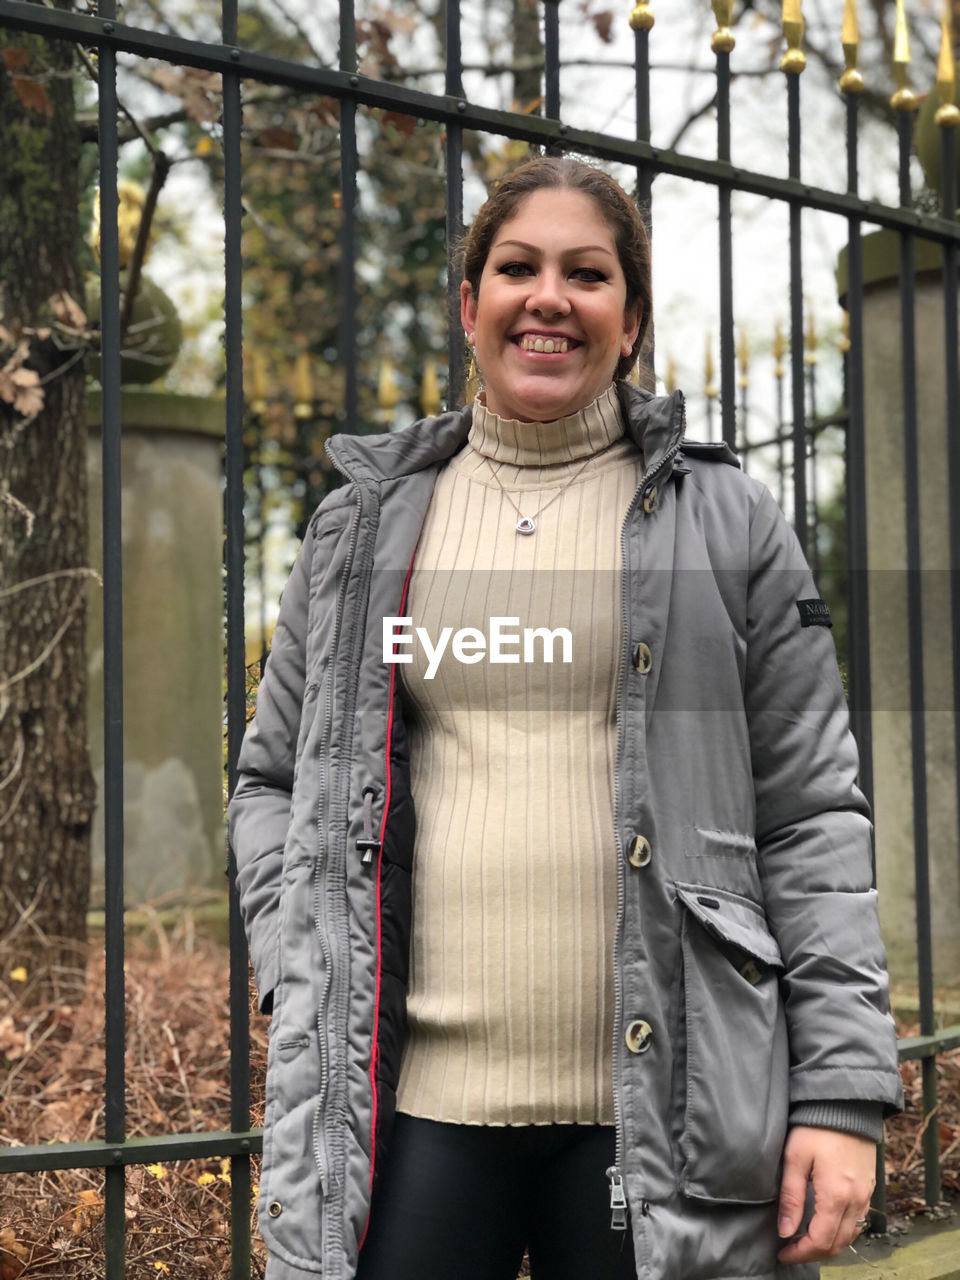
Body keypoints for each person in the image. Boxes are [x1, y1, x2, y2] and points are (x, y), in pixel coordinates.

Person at [227, 156, 903, 1280]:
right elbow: (271, 781)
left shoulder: (725, 522)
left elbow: (810, 813)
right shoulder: (363, 529)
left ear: (630, 320)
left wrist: (838, 1091)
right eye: (516, 268)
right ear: (469, 306)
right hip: (418, 1114)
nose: (549, 297)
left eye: (587, 274)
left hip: (667, 1118)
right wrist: (297, 963)